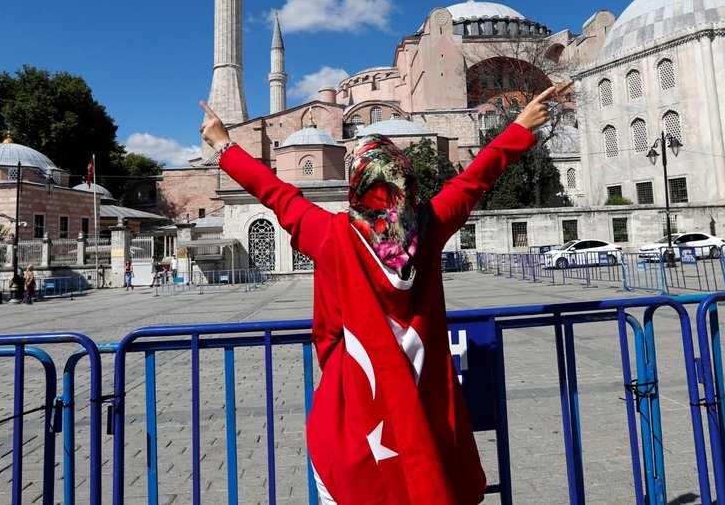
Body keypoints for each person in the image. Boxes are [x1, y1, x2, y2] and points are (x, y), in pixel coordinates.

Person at [200, 87, 555, 505]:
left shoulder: (331, 236)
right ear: (409, 183)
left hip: (351, 417)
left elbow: (278, 195)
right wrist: (518, 128)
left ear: (357, 187)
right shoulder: (433, 225)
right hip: (426, 415)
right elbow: (473, 180)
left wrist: (224, 145)